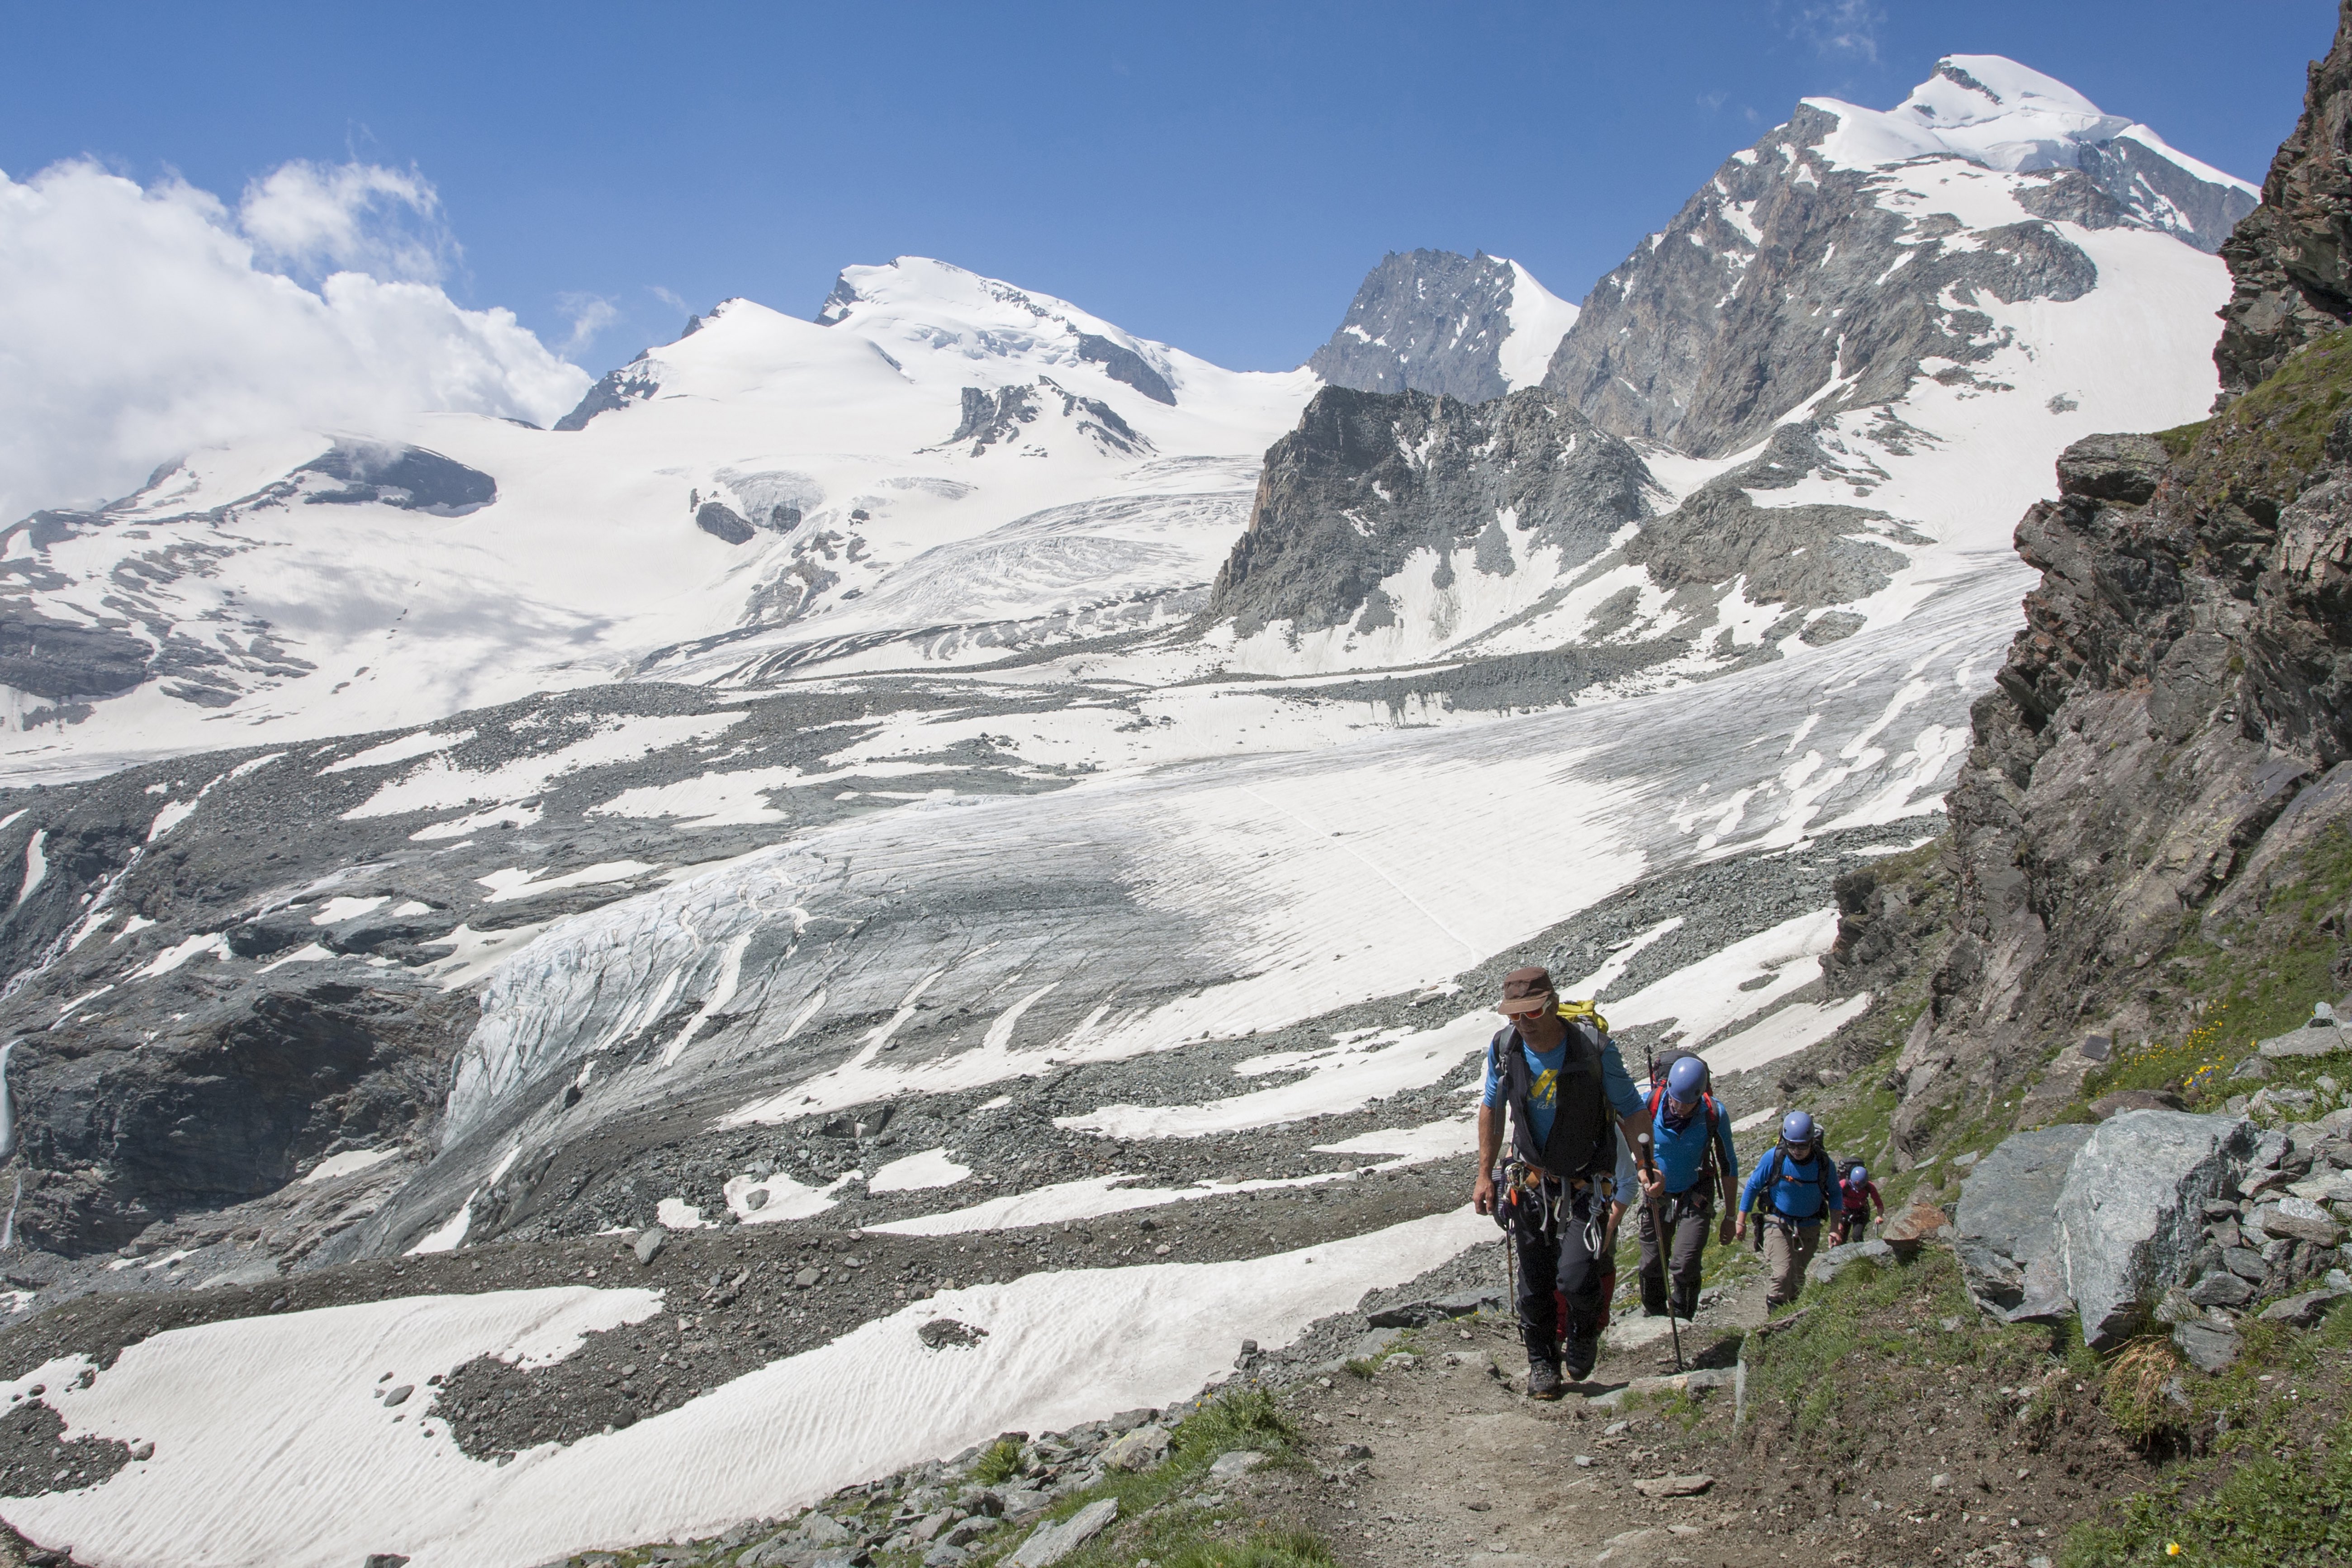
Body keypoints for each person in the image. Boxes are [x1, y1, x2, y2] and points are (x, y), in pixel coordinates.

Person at [1471, 966, 1653, 1399]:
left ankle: (1584, 1333)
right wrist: (1484, 1174)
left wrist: (1646, 1162)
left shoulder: (1593, 1048)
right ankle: (1542, 1363)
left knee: (1574, 1275)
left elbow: (1629, 1106)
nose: (1523, 1023)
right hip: (1531, 1181)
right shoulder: (1504, 1048)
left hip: (1589, 1184)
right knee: (1534, 1281)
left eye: (1531, 1012)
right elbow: (1491, 1108)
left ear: (1551, 1004)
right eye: (1514, 1016)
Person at [1636, 1054, 1737, 1321]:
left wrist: (1730, 1216)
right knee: (1651, 1262)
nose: (1679, 1108)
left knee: (1685, 1263)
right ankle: (1655, 1315)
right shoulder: (1650, 1104)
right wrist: (1644, 1177)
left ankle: (1682, 1319)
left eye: (1687, 1103)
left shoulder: (1715, 1113)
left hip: (1696, 1193)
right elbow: (1629, 1147)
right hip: (1656, 1194)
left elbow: (1728, 1164)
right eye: (1675, 1100)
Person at [1736, 1111, 1845, 1309]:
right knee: (1782, 1274)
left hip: (1810, 1226)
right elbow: (1752, 1187)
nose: (1796, 1150)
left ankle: (1789, 1320)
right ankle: (1774, 1321)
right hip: (1778, 1222)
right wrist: (1740, 1221)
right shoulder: (1774, 1158)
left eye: (1802, 1145)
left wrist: (1834, 1228)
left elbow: (1836, 1194)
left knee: (1797, 1278)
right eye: (1791, 1144)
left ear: (1812, 1141)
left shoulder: (1823, 1164)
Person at [1835, 1161, 1884, 1244]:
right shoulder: (1843, 1185)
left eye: (1860, 1187)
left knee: (1857, 1237)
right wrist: (1838, 1223)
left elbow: (1879, 1204)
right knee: (1840, 1239)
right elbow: (1834, 1202)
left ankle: (1862, 1255)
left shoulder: (1870, 1187)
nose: (1858, 1190)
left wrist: (1879, 1216)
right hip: (1844, 1212)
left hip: (1861, 1213)